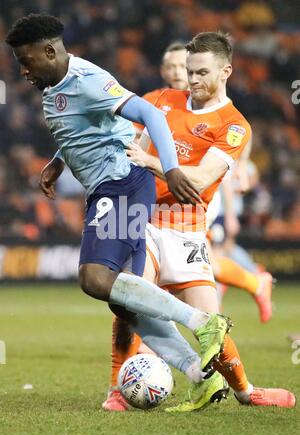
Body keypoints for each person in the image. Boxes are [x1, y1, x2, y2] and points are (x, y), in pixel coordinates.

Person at [6, 14, 234, 409]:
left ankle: (204, 322)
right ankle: (202, 376)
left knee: (94, 277)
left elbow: (151, 115)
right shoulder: (52, 82)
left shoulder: (88, 80)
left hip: (123, 182)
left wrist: (172, 169)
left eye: (27, 61)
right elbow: (84, 126)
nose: (23, 70)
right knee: (123, 301)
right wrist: (60, 160)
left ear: (49, 51)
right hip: (106, 189)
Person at [103, 33, 295, 412]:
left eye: (201, 72)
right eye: (189, 72)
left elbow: (202, 180)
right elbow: (131, 152)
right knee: (128, 299)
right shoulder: (161, 100)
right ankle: (116, 387)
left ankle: (245, 391)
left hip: (189, 229)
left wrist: (152, 164)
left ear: (226, 71)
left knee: (210, 324)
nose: (191, 80)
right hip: (147, 222)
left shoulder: (234, 125)